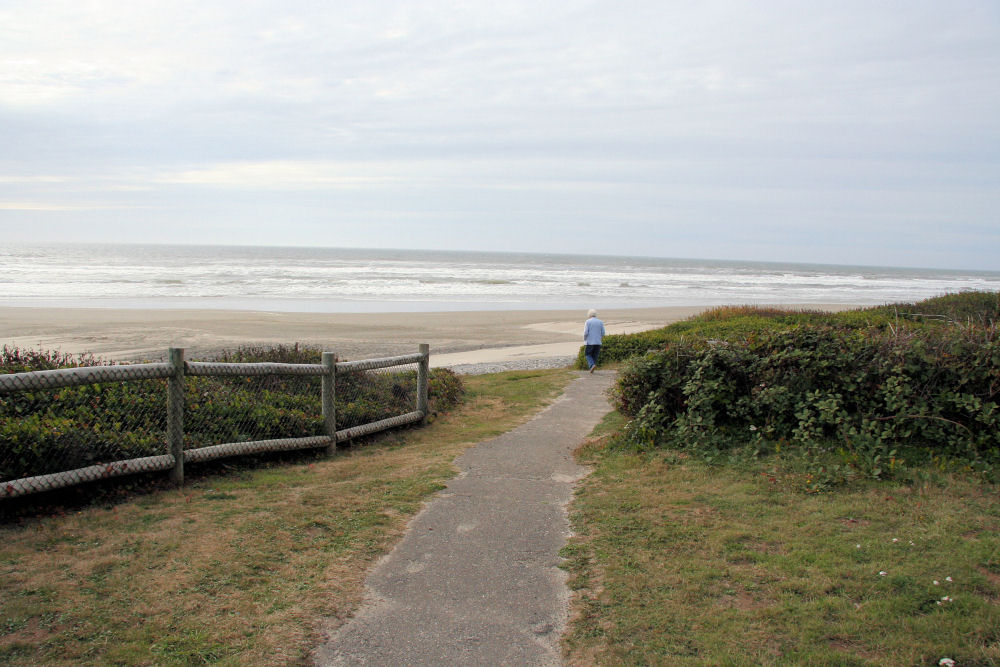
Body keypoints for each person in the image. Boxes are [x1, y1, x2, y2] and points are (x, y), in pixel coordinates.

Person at [583, 309, 605, 373]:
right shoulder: (600, 322)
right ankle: (592, 368)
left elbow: (585, 332)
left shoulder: (588, 322)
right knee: (595, 355)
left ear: (589, 315)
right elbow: (603, 332)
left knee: (587, 354)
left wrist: (585, 339)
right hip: (598, 342)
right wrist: (599, 338)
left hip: (590, 342)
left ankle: (592, 365)